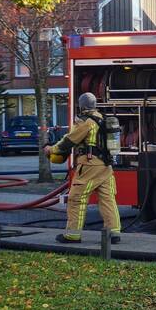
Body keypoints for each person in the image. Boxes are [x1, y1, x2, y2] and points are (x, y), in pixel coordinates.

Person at [44, 92, 120, 243]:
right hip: (106, 166)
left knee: (76, 198)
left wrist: (50, 150)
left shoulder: (85, 122)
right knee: (107, 199)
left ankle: (72, 234)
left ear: (82, 106)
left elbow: (68, 141)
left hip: (89, 166)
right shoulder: (103, 119)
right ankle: (114, 233)